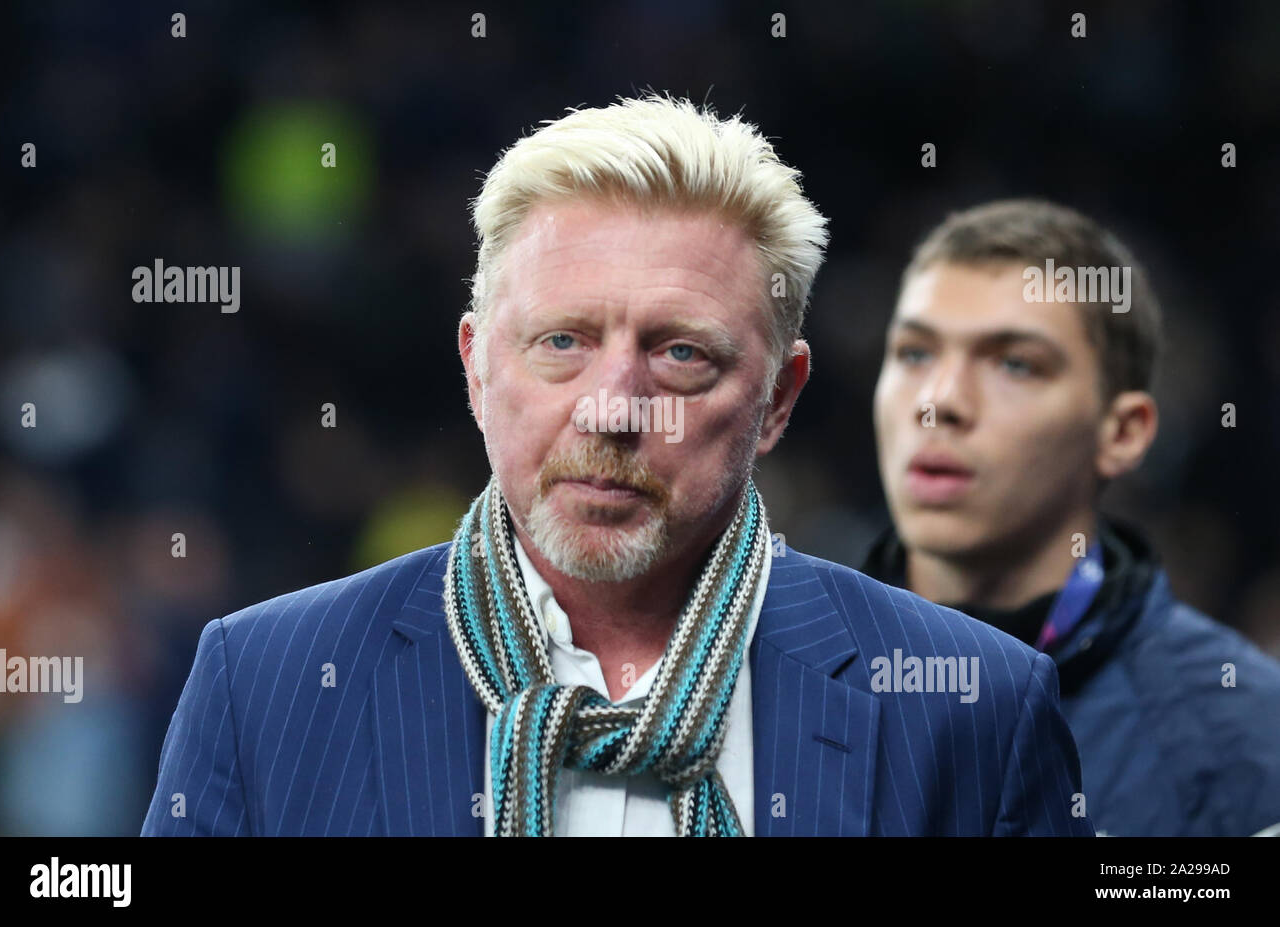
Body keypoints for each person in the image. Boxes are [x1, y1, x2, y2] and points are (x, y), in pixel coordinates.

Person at [142, 96, 1092, 837]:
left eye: (681, 353)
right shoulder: (263, 683)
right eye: (562, 340)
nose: (610, 407)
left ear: (778, 399)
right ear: (476, 366)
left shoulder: (978, 709)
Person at [864, 198, 1280, 836]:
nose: (939, 402)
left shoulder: (1249, 739)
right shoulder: (754, 676)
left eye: (1015, 363)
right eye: (915, 353)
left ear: (1123, 433)